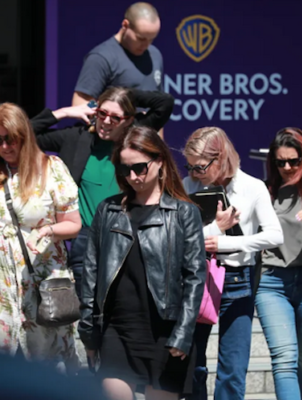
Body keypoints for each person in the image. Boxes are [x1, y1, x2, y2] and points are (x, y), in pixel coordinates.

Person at [78, 125, 206, 400]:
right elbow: (91, 273)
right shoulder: (108, 210)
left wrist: (184, 333)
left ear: (159, 161)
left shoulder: (184, 213)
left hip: (165, 332)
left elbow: (195, 277)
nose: (132, 176)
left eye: (139, 168)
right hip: (117, 330)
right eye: (124, 169)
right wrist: (89, 332)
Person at [30, 87, 174, 298]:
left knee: (126, 303)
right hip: (86, 238)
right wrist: (63, 112)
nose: (106, 121)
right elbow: (24, 135)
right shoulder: (75, 138)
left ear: (128, 120)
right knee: (86, 308)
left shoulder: (135, 138)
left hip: (130, 233)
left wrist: (122, 95)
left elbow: (165, 103)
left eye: (115, 117)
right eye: (102, 113)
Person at [182, 127, 284, 400]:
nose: (195, 173)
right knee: (193, 365)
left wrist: (230, 243)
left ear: (221, 158)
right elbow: (174, 236)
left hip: (238, 278)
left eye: (200, 167)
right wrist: (214, 229)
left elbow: (275, 235)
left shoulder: (252, 187)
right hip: (196, 278)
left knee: (233, 369)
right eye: (190, 166)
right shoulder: (188, 185)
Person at [0, 103, 82, 371]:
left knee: (48, 364)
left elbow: (73, 224)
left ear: (24, 135)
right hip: (4, 286)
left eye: (9, 139)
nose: (4, 147)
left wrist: (48, 230)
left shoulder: (51, 168)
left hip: (41, 280)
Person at [255, 128, 302, 400]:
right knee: (284, 358)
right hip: (271, 283)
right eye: (280, 162)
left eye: (293, 161)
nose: (287, 167)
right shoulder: (266, 192)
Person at [72, 2, 162, 107]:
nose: (146, 44)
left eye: (151, 39)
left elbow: (159, 100)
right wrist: (107, 117)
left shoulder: (155, 54)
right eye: (140, 38)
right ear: (125, 25)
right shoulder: (101, 58)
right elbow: (82, 103)